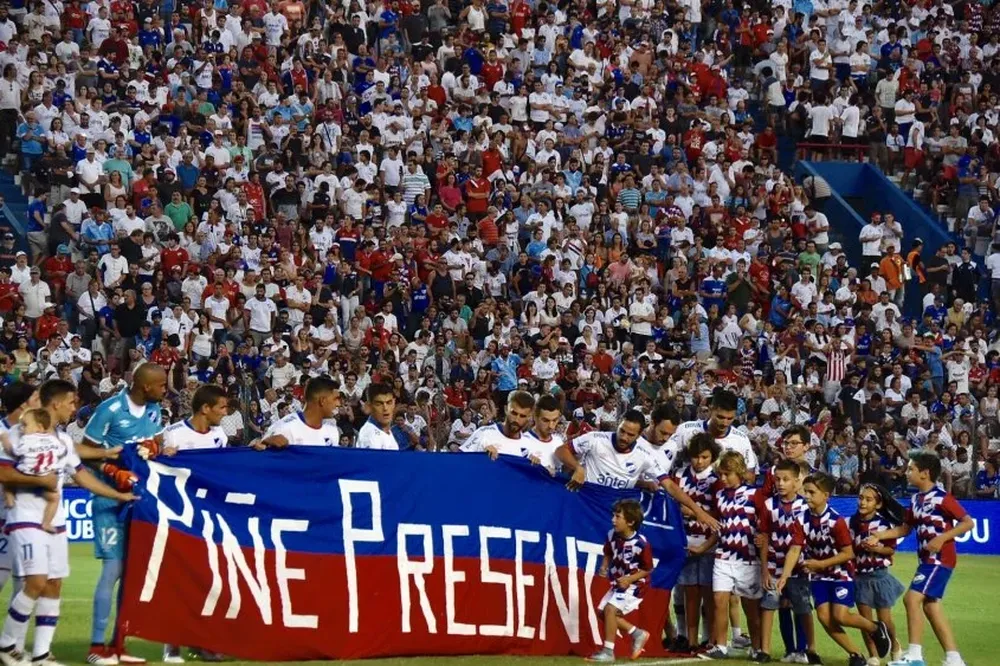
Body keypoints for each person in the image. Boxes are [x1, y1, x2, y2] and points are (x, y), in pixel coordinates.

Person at [0, 379, 136, 666]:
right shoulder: (17, 433)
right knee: (36, 581)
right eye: (72, 402)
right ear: (56, 403)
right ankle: (7, 643)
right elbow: (4, 473)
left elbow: (81, 475)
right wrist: (41, 480)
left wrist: (118, 495)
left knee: (54, 584)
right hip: (25, 516)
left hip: (56, 520)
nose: (75, 408)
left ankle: (41, 654)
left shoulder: (62, 440)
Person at [80, 362, 168, 666]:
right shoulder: (110, 408)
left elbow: (153, 443)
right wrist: (109, 469)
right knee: (113, 571)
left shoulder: (156, 411)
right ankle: (95, 647)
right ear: (146, 386)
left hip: (139, 501)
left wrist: (156, 448)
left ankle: (119, 644)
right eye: (161, 385)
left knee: (131, 576)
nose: (164, 390)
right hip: (109, 500)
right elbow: (83, 451)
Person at [869, 451, 975, 666]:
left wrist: (942, 538)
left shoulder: (942, 497)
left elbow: (967, 522)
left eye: (911, 469)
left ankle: (915, 656)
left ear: (925, 473)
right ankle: (954, 659)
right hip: (927, 560)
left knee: (911, 599)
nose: (907, 472)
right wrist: (881, 535)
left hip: (939, 558)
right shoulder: (916, 499)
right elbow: (905, 528)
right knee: (930, 606)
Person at [555, 410, 720, 530]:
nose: (624, 437)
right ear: (618, 423)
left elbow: (669, 485)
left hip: (614, 515)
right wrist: (578, 468)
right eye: (622, 431)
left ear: (639, 434)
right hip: (587, 507)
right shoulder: (596, 439)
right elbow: (561, 451)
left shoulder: (645, 455)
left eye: (630, 435)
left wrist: (698, 511)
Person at [800, 472, 891, 666]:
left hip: (840, 573)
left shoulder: (836, 521)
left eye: (811, 492)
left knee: (840, 616)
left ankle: (875, 628)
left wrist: (820, 564)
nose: (806, 496)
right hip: (818, 576)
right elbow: (795, 547)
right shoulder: (802, 518)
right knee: (824, 618)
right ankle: (856, 654)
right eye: (805, 492)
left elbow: (849, 554)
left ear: (826, 496)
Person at [700, 451, 763, 661]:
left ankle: (757, 647)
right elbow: (720, 527)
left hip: (748, 559)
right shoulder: (719, 496)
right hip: (723, 556)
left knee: (751, 608)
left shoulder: (756, 495)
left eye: (727, 474)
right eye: (721, 475)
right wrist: (703, 548)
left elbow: (765, 525)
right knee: (719, 601)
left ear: (740, 472)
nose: (723, 479)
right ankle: (720, 646)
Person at [758, 458, 814, 664]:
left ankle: (803, 649)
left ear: (796, 481)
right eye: (777, 479)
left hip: (799, 566)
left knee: (800, 606)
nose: (780, 483)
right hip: (773, 565)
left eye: (786, 479)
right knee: (773, 604)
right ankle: (768, 650)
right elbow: (763, 537)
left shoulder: (805, 506)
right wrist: (764, 569)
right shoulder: (768, 505)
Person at [670, 432, 721, 654]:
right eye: (696, 456)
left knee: (709, 595)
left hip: (710, 544)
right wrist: (697, 512)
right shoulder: (679, 475)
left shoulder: (717, 480)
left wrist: (690, 511)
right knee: (688, 593)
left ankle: (708, 638)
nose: (699, 462)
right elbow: (672, 505)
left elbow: (720, 514)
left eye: (705, 457)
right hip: (684, 542)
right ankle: (688, 639)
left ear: (712, 457)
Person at [587, 498, 653, 663]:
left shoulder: (641, 544)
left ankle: (608, 652)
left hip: (635, 585)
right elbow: (608, 552)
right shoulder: (612, 535)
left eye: (617, 517)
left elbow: (648, 569)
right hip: (618, 583)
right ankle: (637, 633)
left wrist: (630, 579)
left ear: (630, 522)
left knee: (610, 610)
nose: (613, 520)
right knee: (603, 612)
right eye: (613, 516)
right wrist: (604, 566)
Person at [851, 482, 907, 665]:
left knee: (885, 619)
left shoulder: (883, 525)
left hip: (879, 576)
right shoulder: (852, 522)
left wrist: (877, 548)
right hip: (860, 577)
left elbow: (890, 551)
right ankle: (873, 655)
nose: (863, 502)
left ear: (878, 504)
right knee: (865, 621)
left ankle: (895, 647)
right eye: (861, 498)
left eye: (868, 499)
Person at [668, 389, 759, 480]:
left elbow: (749, 475)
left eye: (730, 418)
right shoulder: (686, 430)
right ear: (711, 409)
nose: (725, 423)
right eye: (720, 417)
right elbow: (665, 459)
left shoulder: (741, 439)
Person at [1, 408, 61, 533]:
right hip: (45, 476)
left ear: (39, 427)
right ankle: (46, 523)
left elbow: (15, 452)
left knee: (7, 478)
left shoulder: (26, 439)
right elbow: (60, 452)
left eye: (25, 425)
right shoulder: (54, 439)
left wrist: (6, 441)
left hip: (26, 474)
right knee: (55, 498)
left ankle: (10, 498)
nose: (21, 429)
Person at [254, 376, 343, 449]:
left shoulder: (332, 430)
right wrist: (264, 443)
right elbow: (260, 453)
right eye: (336, 399)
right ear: (322, 401)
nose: (339, 404)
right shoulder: (285, 429)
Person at [162, 384, 230, 452]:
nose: (225, 413)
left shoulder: (220, 433)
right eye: (222, 408)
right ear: (205, 408)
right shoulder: (172, 434)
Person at [524, 394, 563, 474]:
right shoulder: (523, 441)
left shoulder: (558, 441)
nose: (551, 426)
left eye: (555, 420)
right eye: (546, 420)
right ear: (535, 417)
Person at [355, 382, 399, 450]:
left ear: (394, 403)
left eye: (389, 402)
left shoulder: (384, 429)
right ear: (369, 406)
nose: (385, 408)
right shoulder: (370, 435)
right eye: (379, 404)